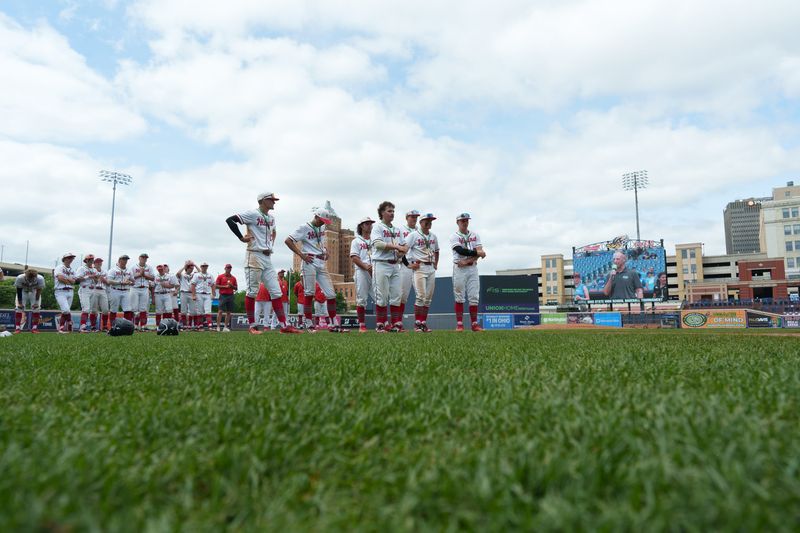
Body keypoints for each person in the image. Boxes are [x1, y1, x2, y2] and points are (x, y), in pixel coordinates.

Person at [226, 192, 300, 334]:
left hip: (267, 258)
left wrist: (270, 243)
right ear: (262, 201)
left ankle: (284, 326)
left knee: (276, 292)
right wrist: (241, 237)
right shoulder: (253, 214)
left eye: (274, 200)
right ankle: (252, 326)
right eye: (271, 200)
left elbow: (274, 232)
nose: (274, 202)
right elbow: (230, 220)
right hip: (254, 255)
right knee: (252, 291)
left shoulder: (271, 217)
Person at [285, 207, 343, 332]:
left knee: (331, 294)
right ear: (316, 216)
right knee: (309, 293)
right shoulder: (304, 227)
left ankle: (333, 324)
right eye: (321, 220)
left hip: (321, 261)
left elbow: (321, 243)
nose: (323, 223)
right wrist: (301, 255)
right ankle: (309, 324)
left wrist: (326, 251)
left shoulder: (321, 228)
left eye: (325, 221)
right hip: (309, 261)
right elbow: (288, 240)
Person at [370, 201, 408, 332]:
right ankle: (381, 324)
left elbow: (403, 246)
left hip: (395, 264)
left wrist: (402, 252)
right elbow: (378, 244)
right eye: (389, 211)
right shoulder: (377, 227)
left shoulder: (397, 230)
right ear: (382, 213)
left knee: (396, 295)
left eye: (393, 211)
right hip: (380, 263)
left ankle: (396, 324)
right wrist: (397, 247)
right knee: (382, 295)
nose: (392, 213)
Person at [450, 213, 486, 332]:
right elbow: (460, 250)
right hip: (459, 269)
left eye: (466, 220)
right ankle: (459, 324)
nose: (465, 222)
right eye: (462, 220)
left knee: (474, 296)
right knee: (459, 296)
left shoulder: (475, 235)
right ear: (458, 222)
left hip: (472, 267)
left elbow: (480, 251)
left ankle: (474, 324)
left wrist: (467, 261)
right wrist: (476, 254)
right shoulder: (454, 236)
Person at [404, 213, 439, 332]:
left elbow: (437, 251)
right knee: (420, 296)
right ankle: (417, 324)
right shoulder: (413, 235)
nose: (429, 223)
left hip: (430, 267)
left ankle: (423, 322)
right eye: (426, 221)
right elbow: (403, 250)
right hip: (419, 267)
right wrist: (408, 264)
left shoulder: (433, 236)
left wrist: (436, 263)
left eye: (430, 221)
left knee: (428, 298)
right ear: (421, 222)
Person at [349, 216, 374, 333]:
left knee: (381, 298)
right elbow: (354, 258)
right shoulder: (356, 241)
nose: (369, 225)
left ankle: (381, 324)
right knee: (361, 299)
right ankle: (362, 325)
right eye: (367, 223)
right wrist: (366, 267)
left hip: (375, 271)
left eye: (370, 223)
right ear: (361, 226)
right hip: (362, 271)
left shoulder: (375, 240)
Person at [399, 209, 420, 318]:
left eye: (416, 217)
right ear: (407, 218)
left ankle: (419, 323)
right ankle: (398, 322)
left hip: (418, 266)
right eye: (412, 217)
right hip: (405, 265)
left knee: (421, 295)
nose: (414, 219)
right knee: (402, 296)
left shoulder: (419, 230)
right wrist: (407, 264)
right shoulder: (401, 230)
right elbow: (400, 249)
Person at [13, 268, 45, 334]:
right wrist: (20, 303)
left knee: (36, 309)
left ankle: (34, 328)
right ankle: (17, 328)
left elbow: (39, 291)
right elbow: (19, 290)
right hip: (23, 292)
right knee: (19, 308)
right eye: (29, 278)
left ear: (36, 276)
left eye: (32, 278)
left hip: (34, 292)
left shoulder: (40, 278)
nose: (30, 280)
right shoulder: (20, 278)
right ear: (25, 275)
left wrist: (36, 303)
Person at [107, 254, 135, 324]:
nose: (125, 261)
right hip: (115, 290)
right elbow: (109, 281)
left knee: (128, 309)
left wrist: (130, 282)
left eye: (126, 259)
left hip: (126, 291)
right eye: (123, 259)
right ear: (119, 260)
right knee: (113, 309)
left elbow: (133, 281)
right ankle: (113, 326)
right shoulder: (113, 270)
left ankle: (127, 326)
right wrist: (120, 282)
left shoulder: (129, 270)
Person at [54, 252, 77, 333]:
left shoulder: (73, 269)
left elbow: (74, 281)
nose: (70, 259)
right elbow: (60, 278)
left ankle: (61, 328)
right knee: (66, 310)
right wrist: (69, 280)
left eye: (71, 258)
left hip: (70, 291)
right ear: (64, 259)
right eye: (68, 258)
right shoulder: (59, 267)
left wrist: (67, 279)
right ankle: (70, 322)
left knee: (66, 311)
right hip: (60, 291)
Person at [130, 253, 155, 331]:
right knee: (134, 307)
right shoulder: (133, 267)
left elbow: (153, 278)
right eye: (143, 257)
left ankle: (143, 325)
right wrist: (140, 274)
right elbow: (130, 277)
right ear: (139, 258)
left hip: (145, 288)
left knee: (143, 308)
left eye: (145, 258)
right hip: (135, 288)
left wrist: (144, 275)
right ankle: (135, 325)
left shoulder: (149, 267)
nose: (144, 259)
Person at [75, 254, 98, 333]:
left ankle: (92, 327)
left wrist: (95, 278)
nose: (91, 260)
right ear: (86, 260)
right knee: (86, 309)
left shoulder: (94, 270)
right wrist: (88, 276)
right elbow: (77, 279)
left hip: (93, 289)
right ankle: (82, 327)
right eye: (89, 259)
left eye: (92, 259)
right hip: (84, 289)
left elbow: (96, 281)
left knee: (91, 310)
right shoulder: (82, 268)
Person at [190, 262, 216, 330]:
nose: (204, 267)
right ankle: (200, 326)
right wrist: (193, 295)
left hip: (207, 294)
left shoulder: (210, 275)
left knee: (208, 310)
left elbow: (213, 284)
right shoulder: (196, 275)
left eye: (206, 266)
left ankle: (210, 326)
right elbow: (193, 285)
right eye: (203, 266)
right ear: (201, 267)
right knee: (200, 311)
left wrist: (213, 293)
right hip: (199, 293)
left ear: (207, 267)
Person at [215, 264, 238, 332]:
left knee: (229, 312)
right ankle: (218, 326)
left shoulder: (233, 278)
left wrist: (232, 286)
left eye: (230, 268)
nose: (229, 269)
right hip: (223, 295)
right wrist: (225, 287)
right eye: (227, 268)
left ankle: (225, 327)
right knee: (220, 311)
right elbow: (216, 286)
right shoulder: (220, 276)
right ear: (225, 268)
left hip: (230, 295)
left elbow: (236, 288)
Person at [91, 257, 111, 331]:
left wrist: (104, 280)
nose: (99, 263)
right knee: (94, 310)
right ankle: (93, 326)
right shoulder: (92, 270)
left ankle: (105, 326)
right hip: (94, 289)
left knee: (105, 309)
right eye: (97, 262)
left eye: (100, 262)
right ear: (94, 263)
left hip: (103, 290)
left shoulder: (105, 271)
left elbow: (108, 283)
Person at [176, 260, 197, 330]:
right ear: (187, 268)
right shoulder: (182, 275)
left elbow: (200, 272)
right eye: (190, 268)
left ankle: (190, 325)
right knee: (183, 310)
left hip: (191, 293)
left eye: (192, 268)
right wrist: (184, 266)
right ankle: (184, 325)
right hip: (183, 293)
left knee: (193, 310)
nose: (192, 269)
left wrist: (195, 264)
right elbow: (178, 273)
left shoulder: (194, 275)